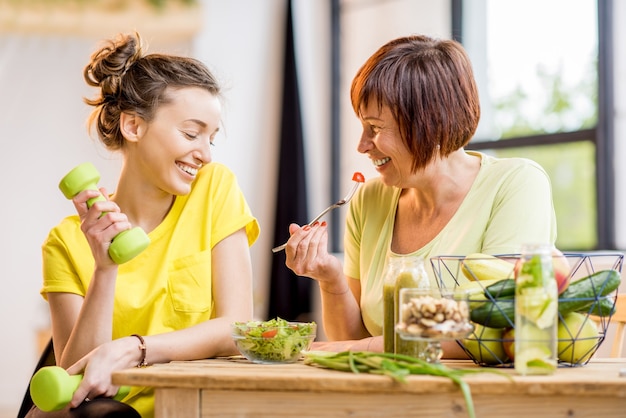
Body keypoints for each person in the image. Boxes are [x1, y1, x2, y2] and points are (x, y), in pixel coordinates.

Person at [28, 32, 259, 418]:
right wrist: (105, 268)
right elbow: (76, 390)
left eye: (211, 138)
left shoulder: (214, 189)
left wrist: (137, 347)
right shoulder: (66, 242)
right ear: (133, 127)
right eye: (191, 133)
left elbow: (237, 328)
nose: (203, 153)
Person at [283, 35, 556, 355]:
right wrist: (329, 279)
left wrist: (356, 347)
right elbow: (350, 338)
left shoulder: (516, 185)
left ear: (432, 124)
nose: (362, 145)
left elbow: (492, 327)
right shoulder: (368, 200)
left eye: (375, 127)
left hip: (475, 398)